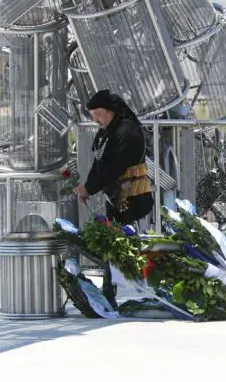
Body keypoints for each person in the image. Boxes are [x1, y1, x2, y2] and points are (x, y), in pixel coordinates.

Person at [73, 90, 154, 307]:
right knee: (114, 242)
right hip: (120, 197)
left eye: (98, 114)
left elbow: (112, 165)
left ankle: (115, 289)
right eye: (92, 116)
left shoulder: (126, 130)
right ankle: (111, 289)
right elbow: (101, 163)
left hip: (133, 197)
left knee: (117, 242)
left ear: (111, 111)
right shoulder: (110, 130)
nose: (95, 119)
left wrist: (89, 188)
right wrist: (87, 188)